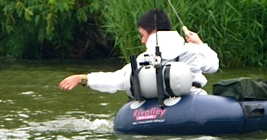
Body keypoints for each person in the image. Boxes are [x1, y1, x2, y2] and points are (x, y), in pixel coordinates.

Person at [59, 8, 219, 95]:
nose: (142, 41)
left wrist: (83, 78)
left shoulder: (144, 60)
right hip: (196, 101)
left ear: (153, 32)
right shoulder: (192, 50)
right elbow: (213, 66)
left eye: (143, 35)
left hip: (160, 110)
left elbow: (116, 80)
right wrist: (200, 44)